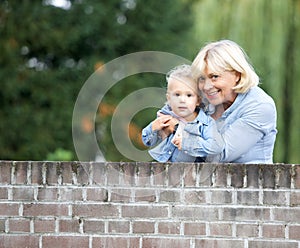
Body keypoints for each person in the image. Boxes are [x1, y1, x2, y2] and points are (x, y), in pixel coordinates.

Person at [180, 39, 277, 163]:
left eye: (214, 77)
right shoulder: (203, 102)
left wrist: (179, 132)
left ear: (237, 74)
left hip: (250, 180)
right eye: (201, 78)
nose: (206, 87)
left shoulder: (260, 106)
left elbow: (219, 154)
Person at [141, 64, 224, 162]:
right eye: (177, 94)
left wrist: (186, 143)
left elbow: (216, 147)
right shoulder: (165, 118)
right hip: (165, 171)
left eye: (189, 95)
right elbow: (148, 142)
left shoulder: (205, 123)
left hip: (195, 172)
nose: (182, 100)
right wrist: (153, 128)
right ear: (169, 98)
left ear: (198, 100)